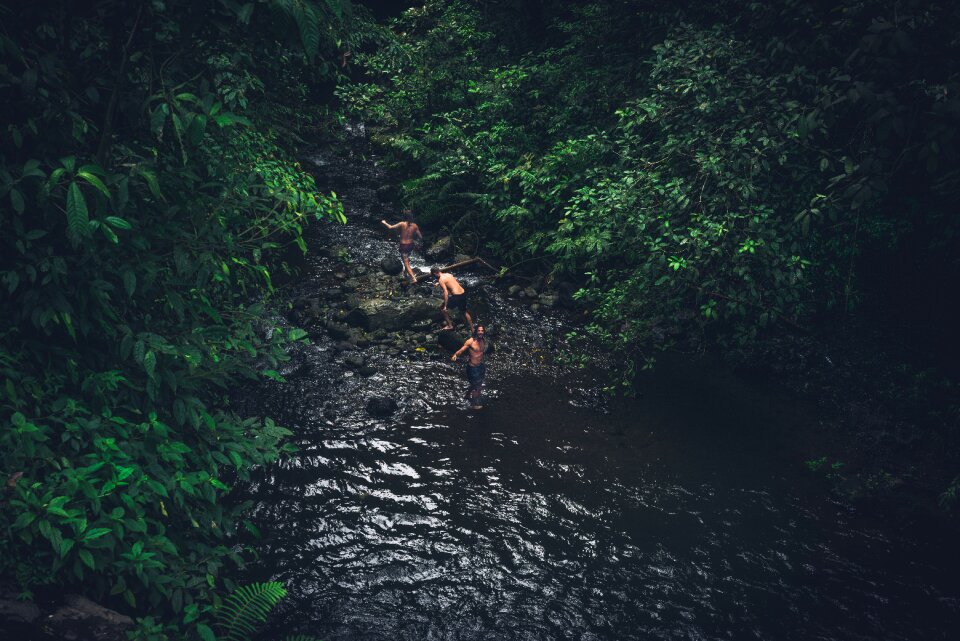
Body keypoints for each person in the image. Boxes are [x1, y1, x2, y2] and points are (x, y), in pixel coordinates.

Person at [380, 209, 422, 284]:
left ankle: (413, 278)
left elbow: (390, 227)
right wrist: (416, 241)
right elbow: (420, 236)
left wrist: (384, 222)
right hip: (411, 245)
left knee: (406, 263)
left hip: (404, 246)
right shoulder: (415, 226)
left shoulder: (402, 224)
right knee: (406, 259)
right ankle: (406, 274)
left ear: (404, 217)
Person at [452, 325, 487, 409]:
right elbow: (461, 350)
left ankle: (467, 395)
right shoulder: (470, 341)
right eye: (479, 330)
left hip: (480, 366)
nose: (480, 332)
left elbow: (481, 353)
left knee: (478, 384)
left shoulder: (484, 340)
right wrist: (455, 355)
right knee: (477, 387)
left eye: (482, 330)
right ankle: (474, 404)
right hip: (472, 368)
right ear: (476, 331)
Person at [431, 266, 474, 332]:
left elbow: (446, 293)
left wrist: (445, 306)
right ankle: (472, 329)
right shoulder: (448, 274)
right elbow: (450, 283)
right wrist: (438, 283)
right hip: (463, 293)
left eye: (434, 276)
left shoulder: (441, 280)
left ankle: (450, 326)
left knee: (442, 309)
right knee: (464, 312)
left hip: (457, 296)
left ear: (434, 273)